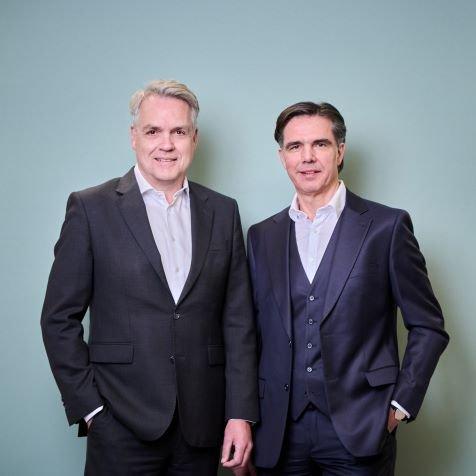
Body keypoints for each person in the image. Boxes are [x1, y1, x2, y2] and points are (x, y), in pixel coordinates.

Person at [41, 79, 258, 475]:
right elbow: (58, 319)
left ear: (194, 138)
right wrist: (90, 409)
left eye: (179, 132)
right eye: (153, 131)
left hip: (203, 426)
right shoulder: (90, 209)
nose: (166, 144)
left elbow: (239, 321)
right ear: (133, 137)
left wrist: (240, 413)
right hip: (119, 423)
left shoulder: (223, 212)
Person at [245, 102, 449, 475]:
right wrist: (244, 417)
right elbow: (249, 334)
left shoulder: (387, 227)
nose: (307, 157)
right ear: (282, 157)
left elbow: (429, 326)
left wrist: (399, 406)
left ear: (340, 151)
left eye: (320, 144)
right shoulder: (261, 236)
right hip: (278, 430)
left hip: (362, 425)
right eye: (295, 146)